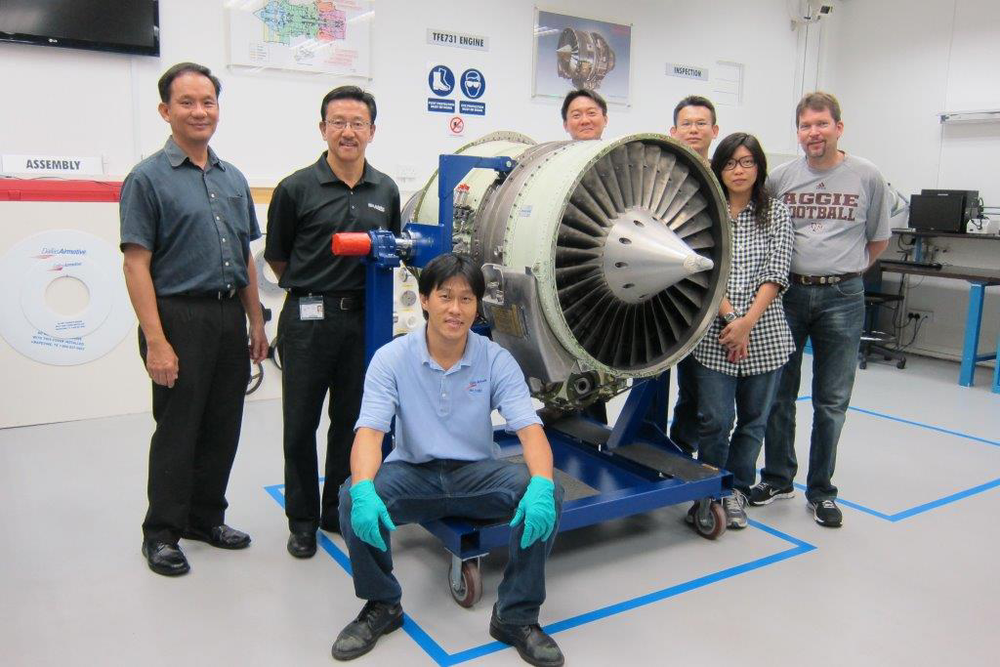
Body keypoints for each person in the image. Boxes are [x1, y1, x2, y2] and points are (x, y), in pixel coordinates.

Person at [331, 254, 565, 667]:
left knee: (548, 490)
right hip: (412, 475)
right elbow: (369, 433)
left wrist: (542, 484)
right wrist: (366, 486)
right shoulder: (392, 359)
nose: (455, 309)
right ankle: (382, 604)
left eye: (466, 299)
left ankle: (515, 615)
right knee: (353, 497)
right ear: (424, 300)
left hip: (477, 475)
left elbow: (530, 431)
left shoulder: (495, 360)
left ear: (478, 307)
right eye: (444, 297)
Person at [120, 62, 268, 576]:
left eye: (208, 101)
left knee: (222, 426)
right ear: (166, 111)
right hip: (177, 317)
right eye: (187, 102)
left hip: (229, 315)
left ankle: (206, 518)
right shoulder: (147, 178)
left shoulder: (232, 178)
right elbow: (135, 263)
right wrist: (156, 341)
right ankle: (161, 531)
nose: (199, 111)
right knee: (178, 428)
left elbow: (246, 257)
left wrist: (256, 321)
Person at [265, 86, 401, 559]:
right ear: (323, 128)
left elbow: (392, 253)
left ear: (372, 131)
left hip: (364, 322)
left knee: (352, 422)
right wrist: (314, 291)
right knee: (300, 424)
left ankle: (335, 509)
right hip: (307, 322)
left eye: (357, 123)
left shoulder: (386, 189)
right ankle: (302, 521)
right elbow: (278, 258)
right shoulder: (295, 187)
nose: (348, 131)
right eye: (338, 122)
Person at [751, 92, 891, 527]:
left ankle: (822, 491)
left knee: (832, 400)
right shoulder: (780, 178)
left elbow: (878, 239)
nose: (814, 133)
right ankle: (777, 477)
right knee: (780, 394)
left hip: (843, 298)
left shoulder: (867, 176)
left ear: (838, 127)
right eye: (806, 126)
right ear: (798, 133)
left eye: (822, 124)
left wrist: (843, 273)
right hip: (788, 296)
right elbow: (764, 231)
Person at [685, 133, 794, 530]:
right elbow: (702, 269)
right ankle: (708, 489)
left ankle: (737, 490)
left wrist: (748, 322)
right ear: (719, 168)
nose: (739, 170)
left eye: (747, 162)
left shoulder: (777, 213)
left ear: (759, 168)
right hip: (717, 336)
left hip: (765, 337)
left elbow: (776, 271)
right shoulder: (703, 214)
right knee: (714, 419)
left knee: (753, 421)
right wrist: (732, 320)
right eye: (731, 163)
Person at [667, 95, 721, 455]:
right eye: (687, 124)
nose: (694, 130)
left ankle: (697, 455)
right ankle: (679, 449)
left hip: (713, 293)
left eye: (701, 123)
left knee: (707, 387)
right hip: (672, 298)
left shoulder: (727, 176)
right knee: (687, 384)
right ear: (674, 131)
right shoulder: (664, 173)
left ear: (714, 130)